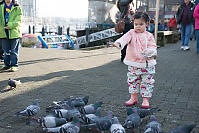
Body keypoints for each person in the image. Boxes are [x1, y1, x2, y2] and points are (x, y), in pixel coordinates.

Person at [112, 12, 157, 108]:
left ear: (147, 24)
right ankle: (133, 97)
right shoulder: (131, 33)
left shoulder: (149, 36)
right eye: (136, 24)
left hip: (147, 64)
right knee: (132, 80)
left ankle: (145, 99)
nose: (138, 27)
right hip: (133, 63)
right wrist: (118, 43)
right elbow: (124, 39)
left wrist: (150, 51)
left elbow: (153, 47)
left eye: (141, 24)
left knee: (147, 82)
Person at [0, 0, 22, 72]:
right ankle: (6, 65)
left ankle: (14, 65)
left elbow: (18, 20)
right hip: (3, 32)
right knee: (6, 51)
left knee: (14, 51)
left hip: (14, 32)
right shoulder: (1, 6)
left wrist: (9, 25)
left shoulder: (17, 7)